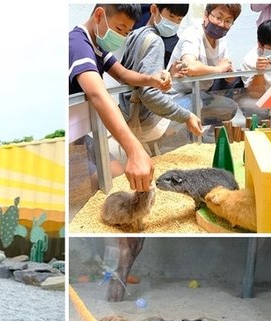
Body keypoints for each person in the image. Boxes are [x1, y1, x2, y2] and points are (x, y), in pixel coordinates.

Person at [69, 4, 172, 191]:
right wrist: (134, 149)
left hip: (82, 135)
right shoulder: (77, 44)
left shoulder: (97, 46)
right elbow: (97, 93)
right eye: (119, 29)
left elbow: (123, 74)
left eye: (127, 32)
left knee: (115, 174)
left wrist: (152, 79)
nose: (122, 36)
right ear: (99, 15)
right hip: (70, 140)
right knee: (98, 184)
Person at [119, 4, 204, 144]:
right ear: (154, 10)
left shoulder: (135, 34)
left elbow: (137, 77)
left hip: (127, 113)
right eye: (171, 16)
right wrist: (186, 117)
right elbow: (149, 94)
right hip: (144, 120)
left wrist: (169, 73)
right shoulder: (155, 41)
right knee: (196, 102)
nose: (174, 23)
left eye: (179, 20)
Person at [241, 17, 271, 98]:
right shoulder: (249, 60)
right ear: (260, 44)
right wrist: (259, 72)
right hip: (265, 101)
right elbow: (255, 95)